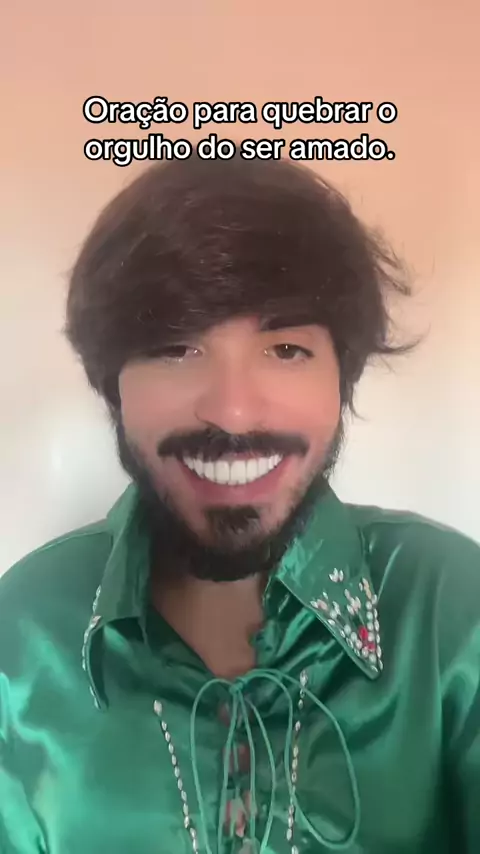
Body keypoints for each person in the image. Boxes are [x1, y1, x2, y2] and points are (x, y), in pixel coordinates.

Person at [1, 155, 479, 854]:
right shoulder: (20, 636)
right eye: (175, 348)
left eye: (285, 349)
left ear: (341, 378)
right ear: (113, 387)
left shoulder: (453, 610)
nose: (232, 411)